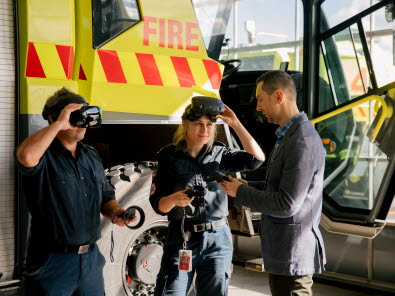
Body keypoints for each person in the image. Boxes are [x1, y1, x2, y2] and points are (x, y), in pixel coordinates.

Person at [16, 88, 133, 295]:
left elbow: (106, 197)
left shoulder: (91, 156)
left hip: (91, 260)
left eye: (85, 115)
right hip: (52, 261)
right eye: (75, 116)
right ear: (55, 118)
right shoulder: (43, 154)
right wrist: (60, 124)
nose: (82, 122)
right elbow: (25, 156)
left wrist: (117, 212)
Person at [221, 70, 326, 296]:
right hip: (284, 254)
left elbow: (287, 204)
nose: (258, 107)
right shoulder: (288, 136)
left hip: (293, 255)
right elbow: (280, 188)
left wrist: (243, 193)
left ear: (278, 96)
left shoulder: (302, 141)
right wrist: (243, 187)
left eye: (260, 99)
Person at [149, 96, 265, 296]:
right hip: (182, 237)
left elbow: (256, 159)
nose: (204, 130)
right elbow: (158, 204)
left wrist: (235, 123)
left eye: (209, 124)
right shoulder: (167, 156)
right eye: (198, 124)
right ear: (185, 125)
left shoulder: (221, 153)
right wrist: (173, 200)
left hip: (217, 239)